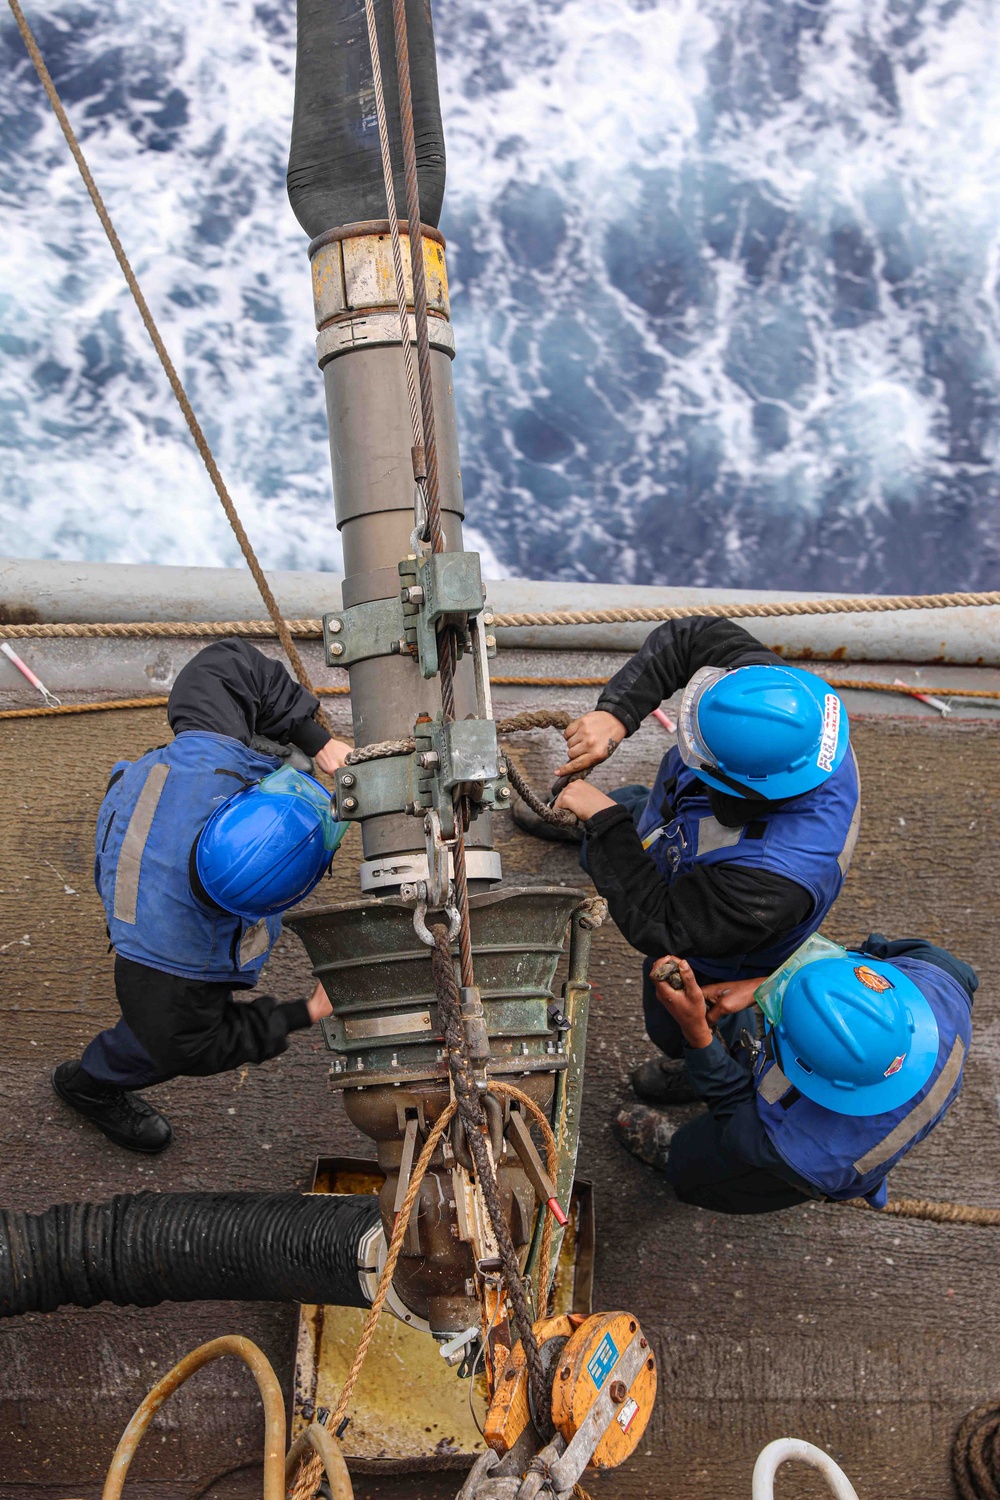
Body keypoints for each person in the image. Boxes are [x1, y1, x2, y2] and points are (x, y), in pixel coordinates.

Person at [52, 639, 353, 1154]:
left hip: (149, 831)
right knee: (154, 1042)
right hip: (153, 951)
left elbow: (227, 663)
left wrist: (318, 743)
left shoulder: (206, 754)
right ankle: (90, 1084)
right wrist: (304, 1012)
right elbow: (192, 1047)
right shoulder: (173, 970)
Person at [546, 616, 860, 1106]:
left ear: (743, 793)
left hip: (721, 939)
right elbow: (690, 638)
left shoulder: (772, 884)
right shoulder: (781, 707)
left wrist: (604, 819)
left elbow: (662, 921)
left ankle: (702, 1064)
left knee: (679, 1013)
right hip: (677, 827)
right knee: (629, 814)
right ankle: (589, 817)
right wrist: (618, 714)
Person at [613, 935, 976, 1213]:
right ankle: (703, 1071)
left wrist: (697, 1034)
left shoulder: (810, 1154)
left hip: (787, 1168)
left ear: (812, 1074)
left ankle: (675, 1157)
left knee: (704, 1165)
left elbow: (736, 1113)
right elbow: (858, 960)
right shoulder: (940, 981)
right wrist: (769, 982)